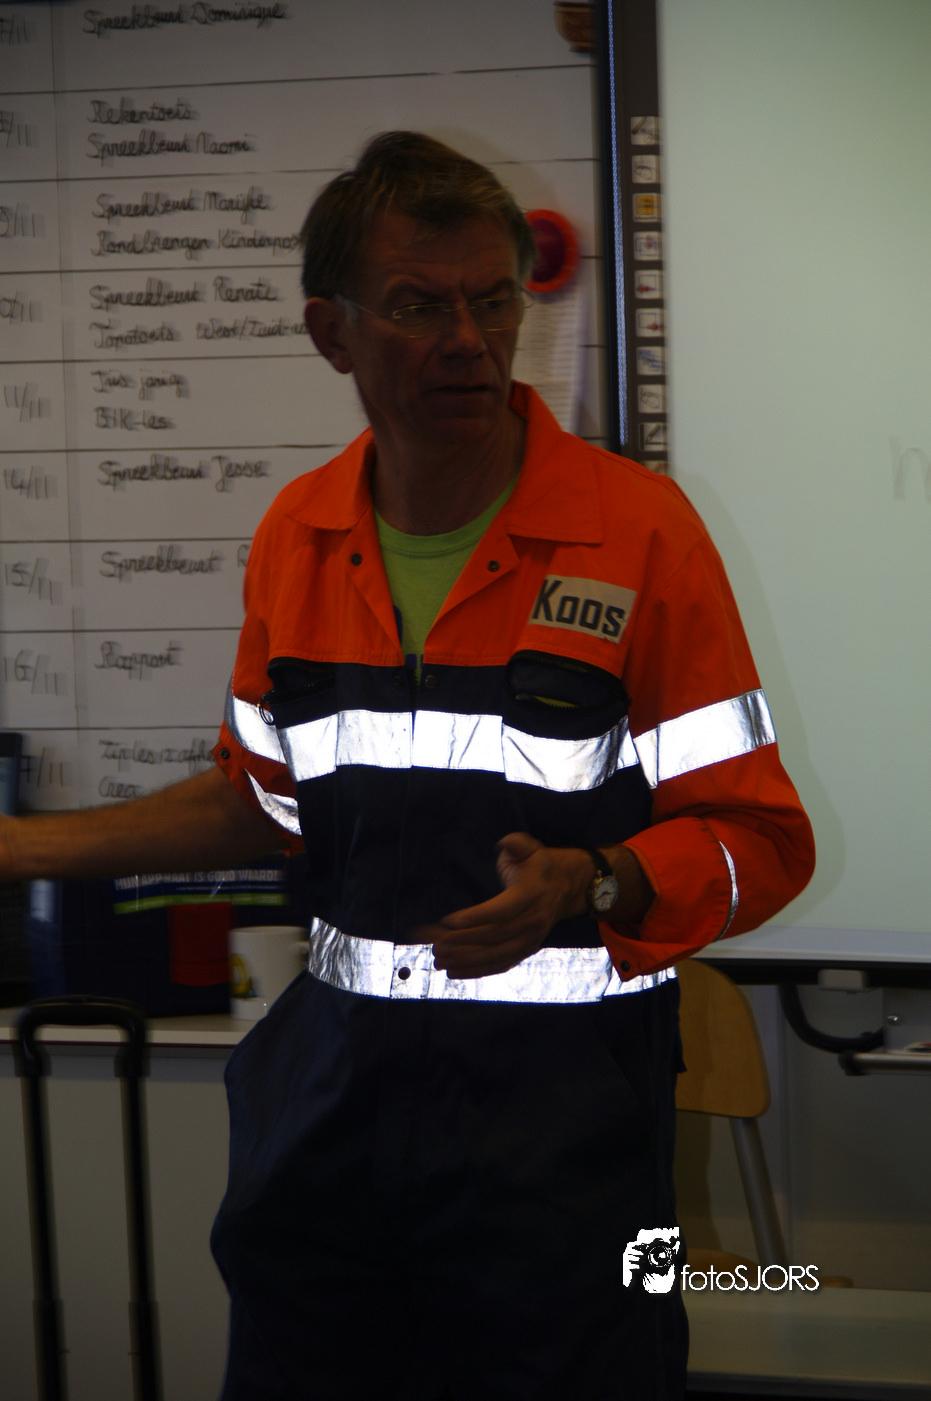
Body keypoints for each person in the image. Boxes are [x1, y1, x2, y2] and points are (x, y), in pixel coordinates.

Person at [0, 132, 815, 1400]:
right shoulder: (298, 532)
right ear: (332, 331)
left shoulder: (639, 532)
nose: (470, 341)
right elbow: (264, 800)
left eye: (493, 300)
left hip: (576, 1146)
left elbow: (759, 843)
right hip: (327, 1124)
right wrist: (21, 847)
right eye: (420, 306)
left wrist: (593, 878)